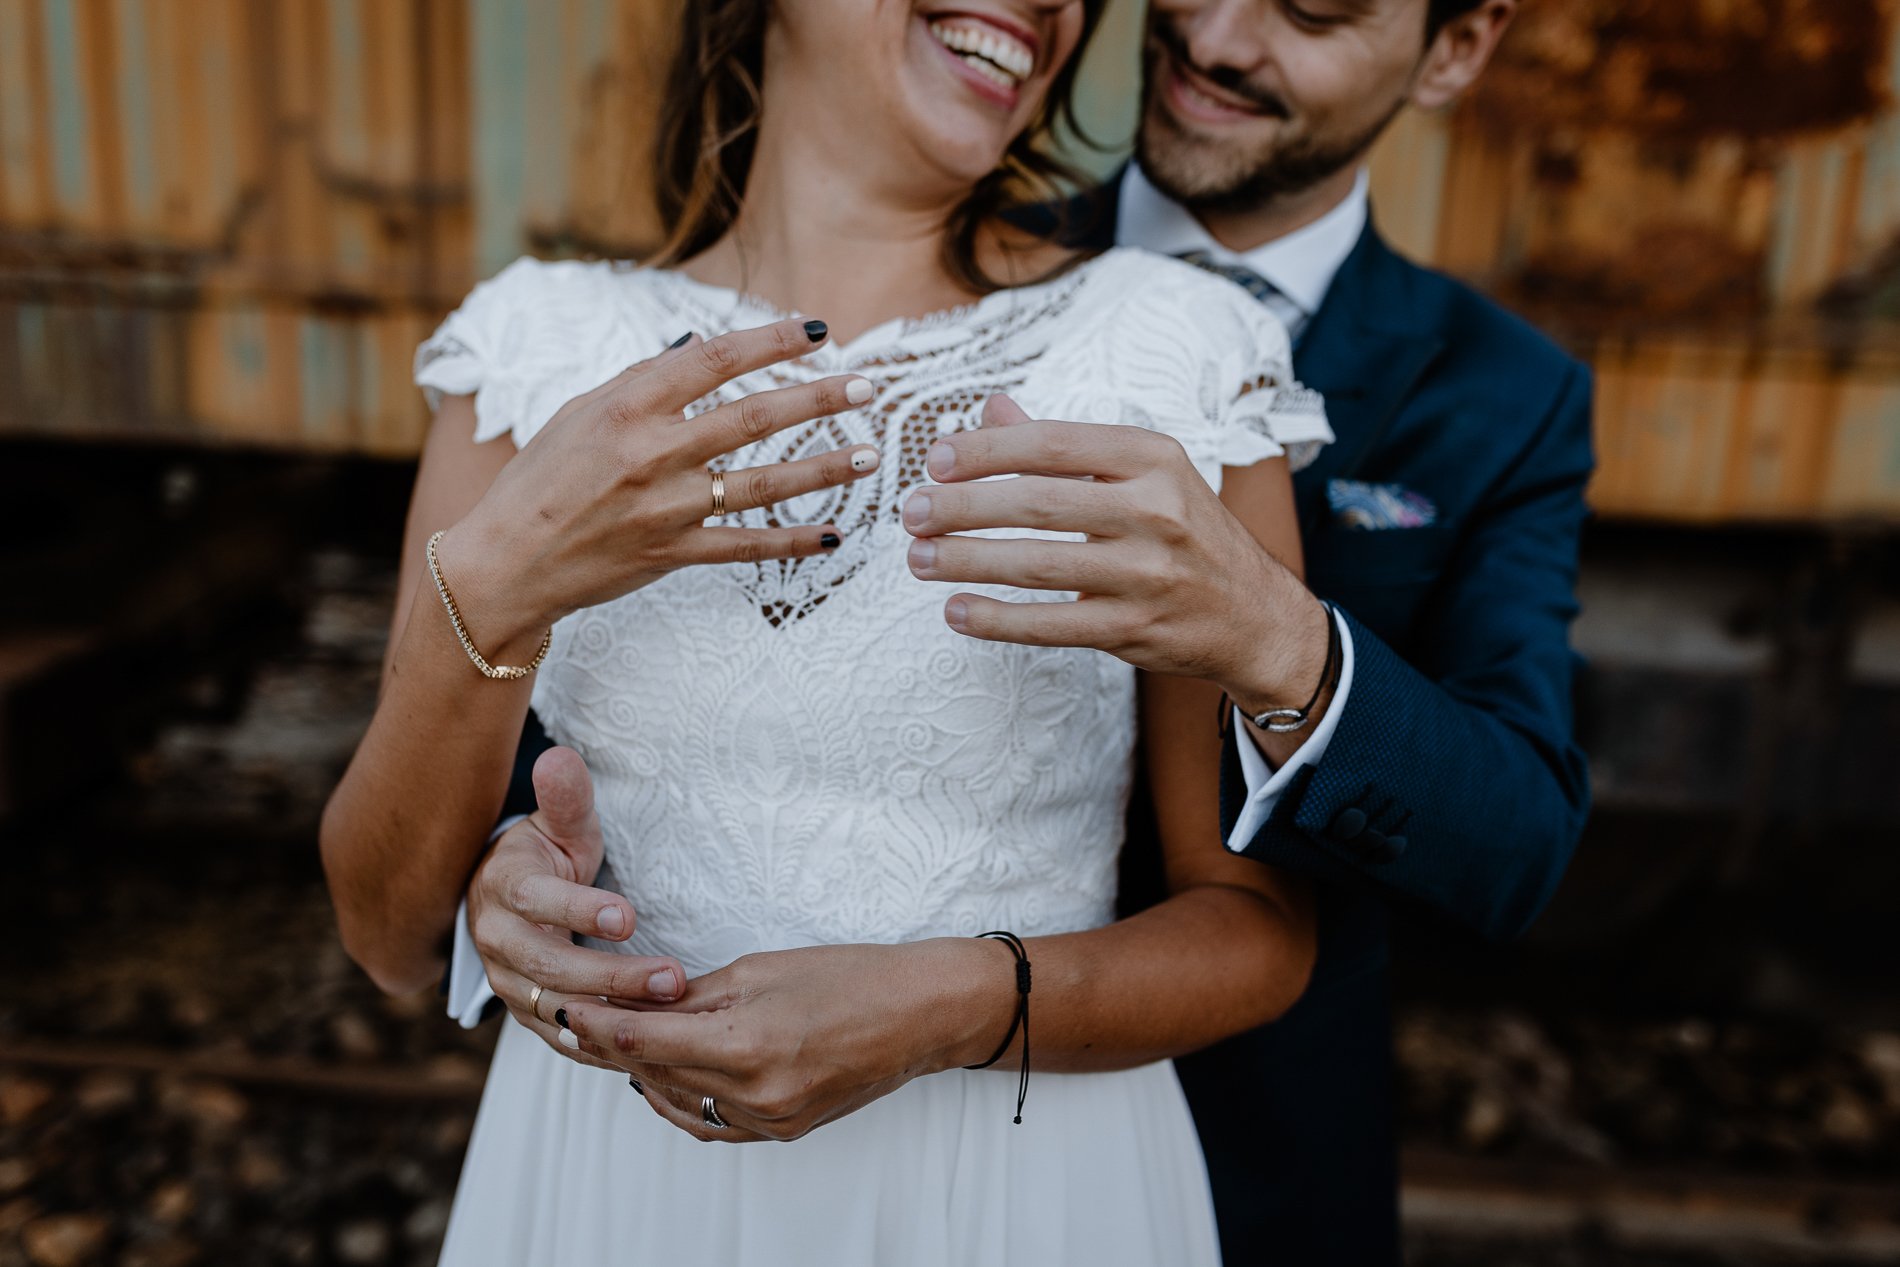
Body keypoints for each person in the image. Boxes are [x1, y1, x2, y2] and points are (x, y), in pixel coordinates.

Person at [452, 0, 1591, 1264]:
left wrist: (1283, 642)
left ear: (1458, 47)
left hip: (1173, 1153)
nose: (1213, 38)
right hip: (658, 1146)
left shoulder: (1508, 394)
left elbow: (1518, 842)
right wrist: (510, 856)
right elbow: (603, 727)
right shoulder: (927, 192)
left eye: (1311, 8)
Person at [320, 0, 1335, 1263]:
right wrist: (503, 883)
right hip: (618, 1181)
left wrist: (946, 1006)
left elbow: (1258, 931)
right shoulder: (535, 350)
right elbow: (385, 936)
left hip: (1013, 1193)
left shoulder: (1173, 346)